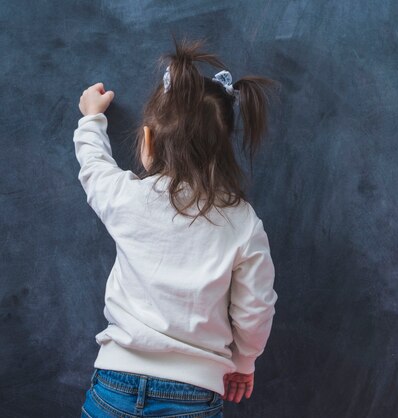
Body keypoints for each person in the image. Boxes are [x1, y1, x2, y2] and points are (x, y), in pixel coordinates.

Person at [75, 36, 279, 417]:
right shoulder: (242, 222)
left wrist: (91, 118)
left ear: (147, 141)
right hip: (194, 395)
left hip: (114, 386)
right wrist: (245, 361)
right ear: (223, 150)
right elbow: (255, 311)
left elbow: (94, 168)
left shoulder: (128, 197)